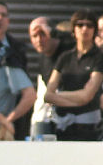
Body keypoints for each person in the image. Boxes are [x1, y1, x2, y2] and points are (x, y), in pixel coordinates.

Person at [43, 9, 103, 141]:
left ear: (95, 30)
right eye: (80, 25)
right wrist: (77, 97)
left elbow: (88, 95)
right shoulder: (65, 57)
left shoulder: (99, 57)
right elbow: (48, 95)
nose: (84, 29)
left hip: (89, 127)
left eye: (89, 25)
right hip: (62, 126)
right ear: (73, 29)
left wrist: (58, 96)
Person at [28, 17, 74, 137]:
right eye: (34, 36)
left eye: (43, 34)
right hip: (48, 115)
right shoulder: (42, 58)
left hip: (75, 115)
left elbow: (75, 37)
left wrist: (52, 32)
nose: (39, 40)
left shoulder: (69, 49)